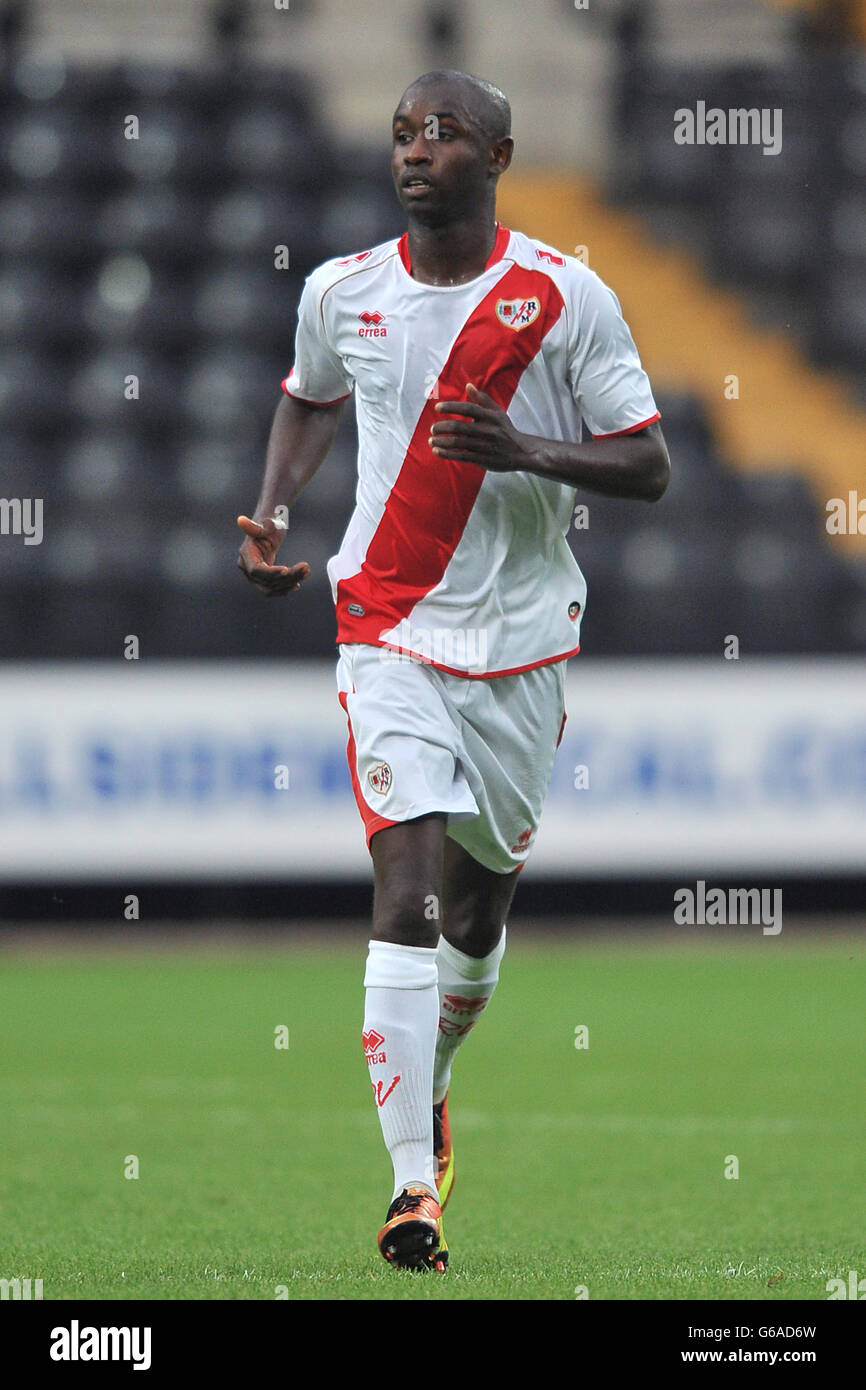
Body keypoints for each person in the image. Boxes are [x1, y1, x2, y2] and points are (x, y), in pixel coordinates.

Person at [237, 69, 669, 1273]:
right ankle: (410, 1189)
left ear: (497, 155)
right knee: (407, 892)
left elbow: (647, 466)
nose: (414, 150)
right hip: (384, 628)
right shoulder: (342, 289)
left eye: (441, 134)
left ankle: (430, 1074)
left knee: (476, 916)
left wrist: (524, 448)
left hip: (521, 643)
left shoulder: (563, 295)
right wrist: (273, 513)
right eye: (400, 135)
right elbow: (306, 399)